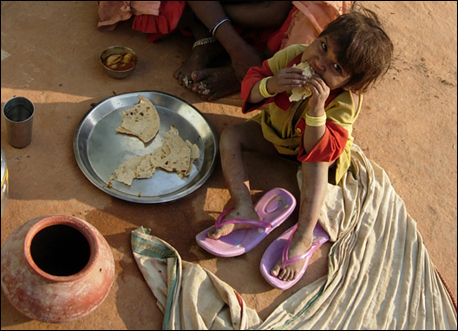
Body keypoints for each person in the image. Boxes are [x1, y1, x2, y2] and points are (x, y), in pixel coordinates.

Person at [206, 7, 393, 283]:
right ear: (319, 36)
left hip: (314, 151)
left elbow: (321, 149)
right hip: (274, 134)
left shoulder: (344, 102)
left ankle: (304, 236)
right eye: (324, 46)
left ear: (352, 82)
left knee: (315, 167)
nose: (320, 63)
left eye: (337, 67)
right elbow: (252, 84)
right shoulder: (292, 55)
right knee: (231, 135)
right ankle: (243, 206)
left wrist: (317, 110)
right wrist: (271, 84)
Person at [97, 1, 355, 101]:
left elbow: (276, 11)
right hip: (225, 8)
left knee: (324, 15)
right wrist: (236, 47)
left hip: (281, 13)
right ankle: (217, 42)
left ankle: (259, 66)